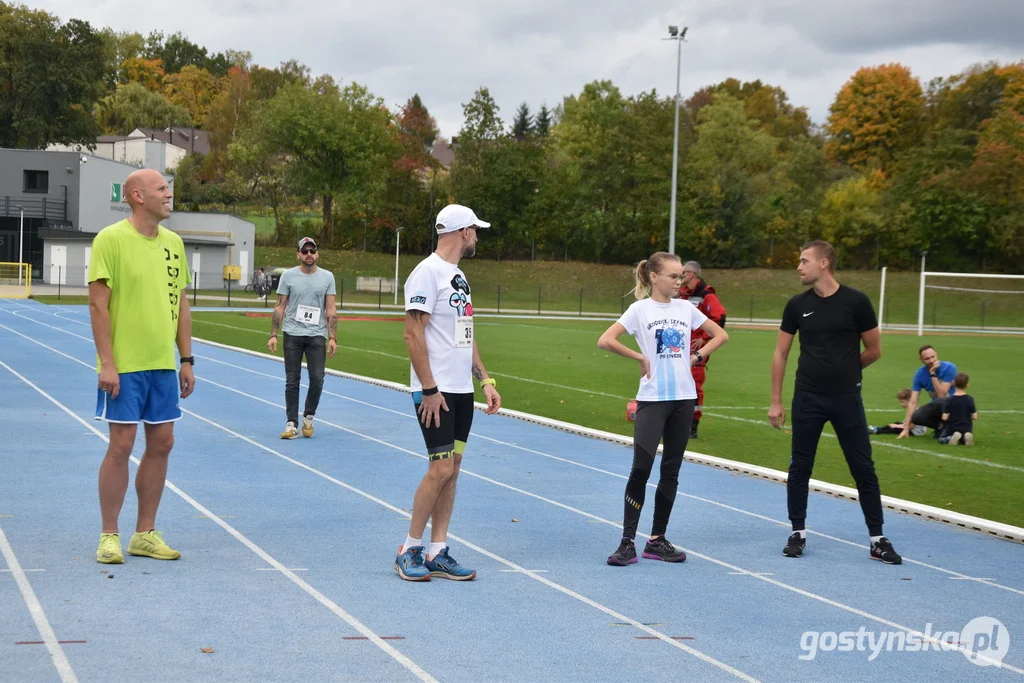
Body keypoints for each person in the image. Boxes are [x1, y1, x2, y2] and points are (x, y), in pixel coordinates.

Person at [768, 240, 902, 565]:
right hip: (807, 398)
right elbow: (781, 352)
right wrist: (776, 401)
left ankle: (877, 538)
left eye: (804, 261)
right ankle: (797, 532)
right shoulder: (796, 305)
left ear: (824, 263)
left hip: (846, 398)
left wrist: (845, 369)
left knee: (863, 468)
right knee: (800, 466)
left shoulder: (857, 302)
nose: (798, 267)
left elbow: (874, 350)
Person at [89, 168, 195, 565]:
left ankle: (145, 533)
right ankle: (109, 535)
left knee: (163, 443)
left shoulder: (173, 243)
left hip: (162, 365)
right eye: (162, 188)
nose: (169, 195)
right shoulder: (110, 239)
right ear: (137, 195)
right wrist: (108, 363)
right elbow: (98, 305)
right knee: (121, 445)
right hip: (126, 365)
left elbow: (181, 304)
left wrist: (185, 359)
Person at [394, 204, 501, 582]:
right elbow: (412, 333)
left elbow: (464, 333)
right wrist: (429, 389)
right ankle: (409, 548)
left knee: (452, 470)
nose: (477, 237)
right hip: (434, 391)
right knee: (439, 468)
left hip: (459, 390)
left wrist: (484, 379)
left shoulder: (459, 276)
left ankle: (438, 550)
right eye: (476, 230)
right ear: (464, 232)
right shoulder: (427, 273)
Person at [600, 252, 728, 566]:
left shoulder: (687, 308)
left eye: (681, 276)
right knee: (641, 469)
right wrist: (639, 358)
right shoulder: (639, 309)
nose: (678, 281)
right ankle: (627, 542)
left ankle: (657, 539)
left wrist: (697, 358)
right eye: (673, 276)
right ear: (654, 276)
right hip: (653, 399)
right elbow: (605, 340)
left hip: (683, 400)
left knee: (671, 470)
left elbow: (721, 335)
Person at [267, 237, 337, 439]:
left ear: (317, 253)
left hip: (316, 334)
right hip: (292, 334)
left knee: (317, 379)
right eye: (304, 251)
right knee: (292, 380)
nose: (309, 255)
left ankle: (309, 416)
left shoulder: (327, 277)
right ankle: (291, 423)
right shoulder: (288, 276)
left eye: (312, 251)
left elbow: (331, 309)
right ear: (298, 254)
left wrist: (333, 337)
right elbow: (280, 306)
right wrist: (274, 334)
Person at [676, 260, 727, 439]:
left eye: (682, 273)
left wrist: (704, 338)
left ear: (691, 274)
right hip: (679, 346)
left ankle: (693, 425)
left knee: (695, 385)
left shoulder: (706, 294)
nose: (679, 276)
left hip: (696, 350)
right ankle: (677, 421)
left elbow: (719, 316)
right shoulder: (681, 294)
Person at [898, 345, 957, 440]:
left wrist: (933, 373)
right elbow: (913, 402)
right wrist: (906, 428)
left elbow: (941, 394)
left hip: (953, 407)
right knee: (917, 416)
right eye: (927, 358)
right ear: (920, 359)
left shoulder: (949, 368)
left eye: (933, 357)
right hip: (938, 408)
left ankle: (950, 429)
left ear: (936, 354)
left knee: (940, 401)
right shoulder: (919, 374)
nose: (931, 361)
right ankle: (941, 427)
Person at [942, 373, 977, 446]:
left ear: (953, 383)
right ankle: (965, 438)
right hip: (967, 427)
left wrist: (949, 415)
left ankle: (952, 438)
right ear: (967, 385)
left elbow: (944, 418)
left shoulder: (949, 400)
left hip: (953, 428)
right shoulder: (970, 399)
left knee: (942, 439)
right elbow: (975, 417)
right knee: (963, 436)